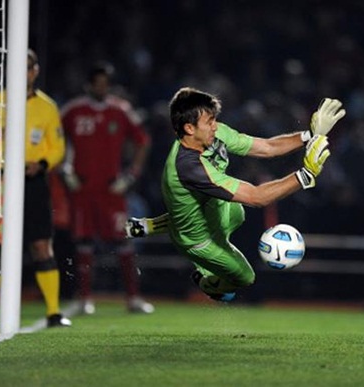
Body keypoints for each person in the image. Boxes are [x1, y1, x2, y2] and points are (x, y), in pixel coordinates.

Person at [126, 87, 345, 301]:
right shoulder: (189, 167)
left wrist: (310, 134)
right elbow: (257, 197)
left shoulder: (213, 133)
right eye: (209, 122)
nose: (215, 126)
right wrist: (305, 175)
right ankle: (204, 279)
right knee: (244, 277)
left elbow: (266, 147)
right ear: (189, 129)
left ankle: (149, 226)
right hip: (194, 238)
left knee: (236, 212)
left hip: (203, 206)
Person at [0, 49, 71, 328]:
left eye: (29, 68)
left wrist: (42, 163)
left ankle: (53, 312)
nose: (25, 73)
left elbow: (58, 147)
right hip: (0, 179)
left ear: (35, 71)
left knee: (41, 245)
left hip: (33, 180)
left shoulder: (47, 107)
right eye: (19, 68)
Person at [60, 62, 154, 314]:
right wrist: (66, 168)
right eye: (97, 83)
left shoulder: (120, 110)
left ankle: (133, 298)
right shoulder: (73, 111)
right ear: (88, 85)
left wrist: (131, 174)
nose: (101, 88)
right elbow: (57, 138)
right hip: (83, 188)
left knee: (123, 242)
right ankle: (84, 300)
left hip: (112, 190)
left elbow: (143, 141)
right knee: (84, 242)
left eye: (105, 83)